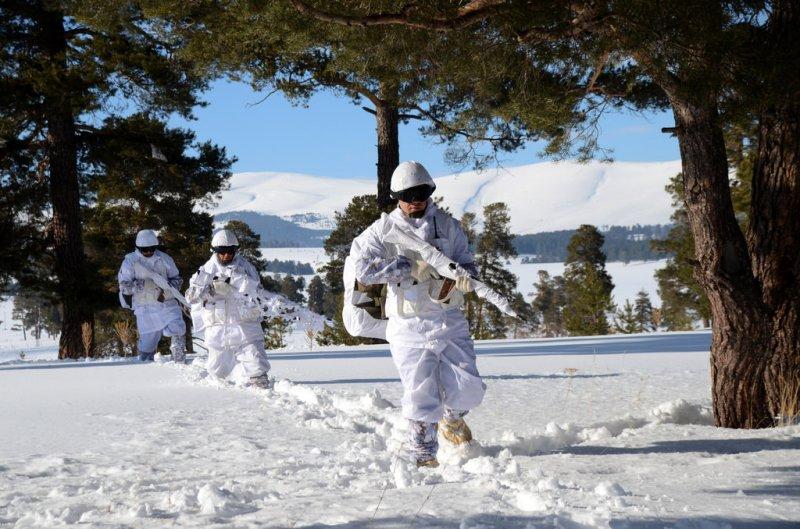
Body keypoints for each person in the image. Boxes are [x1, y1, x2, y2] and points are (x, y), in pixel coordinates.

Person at [350, 161, 484, 467]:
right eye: (409, 194)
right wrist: (408, 267)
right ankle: (422, 456)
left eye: (422, 192)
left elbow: (468, 262)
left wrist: (465, 277)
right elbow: (363, 269)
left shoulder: (448, 227)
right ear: (397, 195)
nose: (416, 200)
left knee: (469, 389)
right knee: (421, 394)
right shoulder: (382, 231)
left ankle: (452, 419)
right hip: (409, 325)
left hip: (450, 319)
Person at [185, 229, 272, 388]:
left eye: (230, 251)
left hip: (244, 323)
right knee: (217, 371)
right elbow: (190, 296)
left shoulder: (246, 268)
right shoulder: (205, 271)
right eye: (222, 252)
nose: (226, 255)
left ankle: (262, 387)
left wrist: (238, 286)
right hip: (219, 327)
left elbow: (256, 290)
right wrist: (210, 291)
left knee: (255, 358)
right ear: (215, 251)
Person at [118, 229, 186, 362]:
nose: (148, 252)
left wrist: (167, 292)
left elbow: (176, 279)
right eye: (145, 250)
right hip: (145, 306)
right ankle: (146, 366)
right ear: (138, 248)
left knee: (177, 326)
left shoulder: (165, 259)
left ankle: (178, 354)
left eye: (151, 249)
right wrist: (136, 287)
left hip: (166, 303)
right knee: (148, 343)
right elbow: (124, 283)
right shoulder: (130, 261)